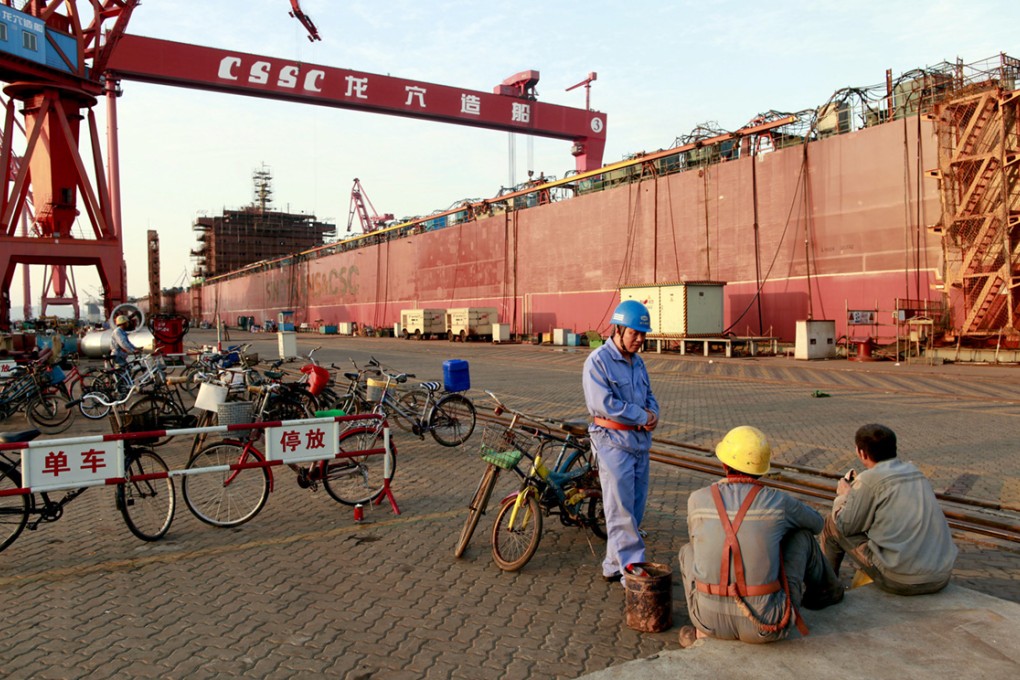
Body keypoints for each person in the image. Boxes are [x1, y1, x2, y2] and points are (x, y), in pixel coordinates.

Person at [678, 426, 843, 646]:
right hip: (765, 625)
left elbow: (698, 542)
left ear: (724, 464)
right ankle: (827, 593)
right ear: (762, 469)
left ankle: (700, 634)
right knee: (802, 536)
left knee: (687, 551)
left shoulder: (696, 499)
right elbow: (816, 524)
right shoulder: (778, 501)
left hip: (708, 622)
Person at [822, 423, 957, 595]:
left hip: (901, 580)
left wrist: (844, 496)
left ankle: (824, 590)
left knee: (830, 524)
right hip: (941, 576)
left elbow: (846, 525)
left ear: (861, 452)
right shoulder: (915, 472)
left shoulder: (869, 479)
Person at [582, 299, 659, 583]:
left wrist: (653, 413)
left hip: (639, 444)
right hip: (612, 442)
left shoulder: (638, 363)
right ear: (618, 329)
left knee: (634, 508)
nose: (640, 339)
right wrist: (641, 414)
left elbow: (649, 394)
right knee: (621, 510)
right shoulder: (597, 362)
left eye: (643, 335)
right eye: (634, 333)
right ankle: (632, 572)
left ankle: (613, 564)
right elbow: (603, 404)